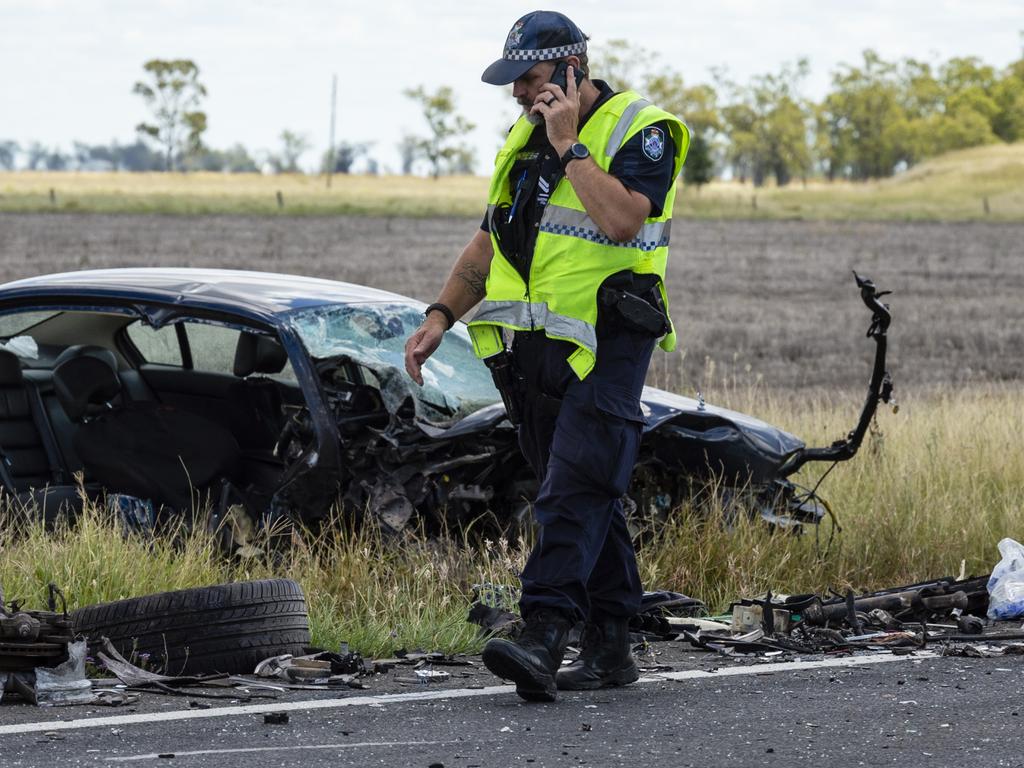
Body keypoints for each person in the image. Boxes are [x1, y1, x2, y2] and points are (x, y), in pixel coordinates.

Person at [404, 10, 689, 702]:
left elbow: (623, 218)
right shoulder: (522, 138)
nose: (518, 95)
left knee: (572, 491)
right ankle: (613, 646)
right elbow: (486, 243)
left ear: (571, 69)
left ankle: (543, 634)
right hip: (530, 351)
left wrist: (570, 145)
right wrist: (442, 313)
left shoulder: (642, 129)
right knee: (588, 494)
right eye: (513, 83)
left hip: (607, 341)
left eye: (529, 79)